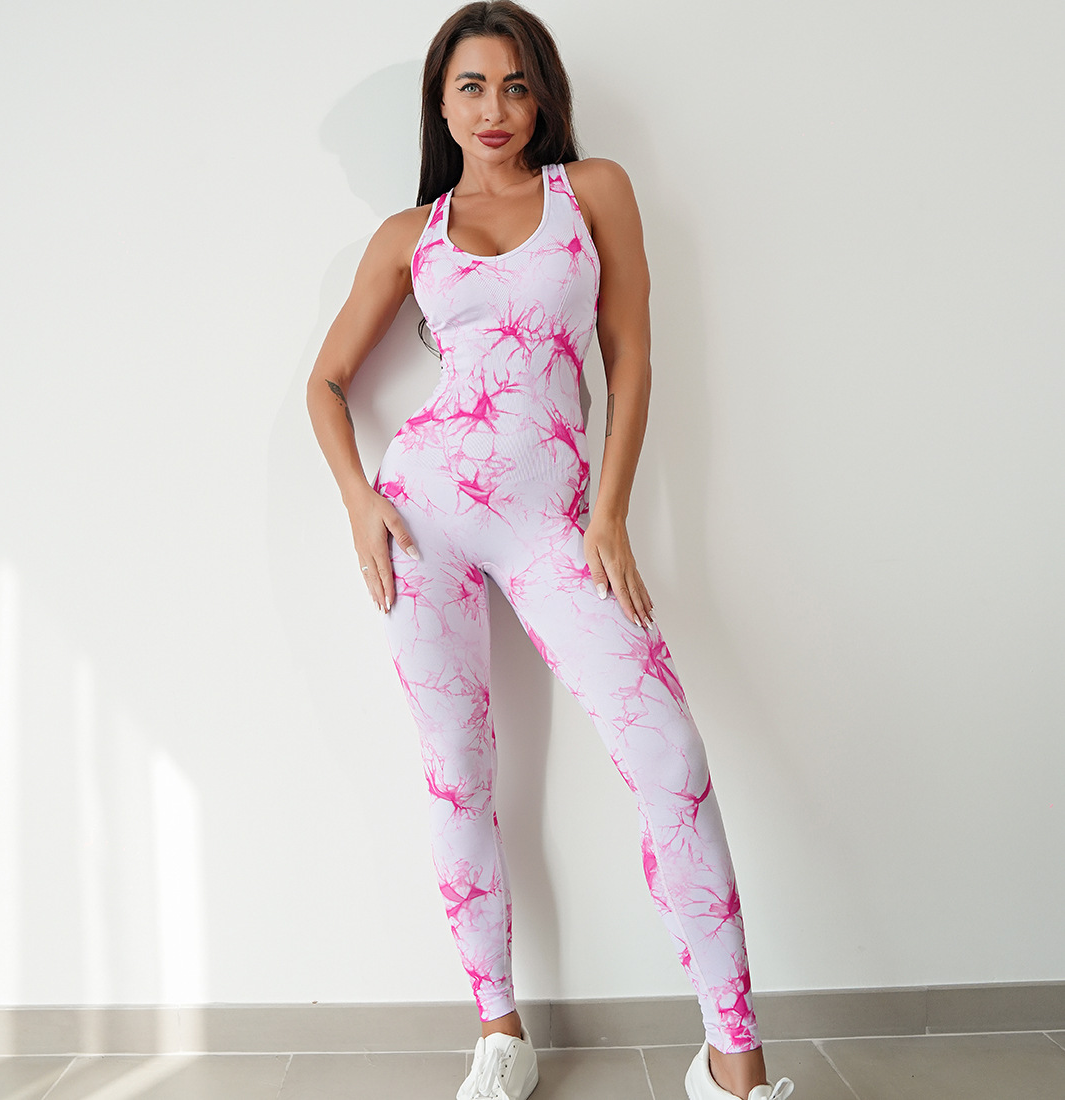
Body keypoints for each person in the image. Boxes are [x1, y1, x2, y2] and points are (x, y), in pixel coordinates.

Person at [306, 3, 794, 1098]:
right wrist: (358, 500)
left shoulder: (594, 191)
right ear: (440, 104)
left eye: (516, 84)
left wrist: (609, 512)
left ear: (543, 98)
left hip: (556, 521)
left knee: (668, 756)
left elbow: (631, 354)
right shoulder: (408, 234)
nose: (495, 108)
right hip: (423, 515)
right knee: (458, 772)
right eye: (471, 86)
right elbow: (325, 382)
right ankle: (500, 1031)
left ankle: (734, 1061)